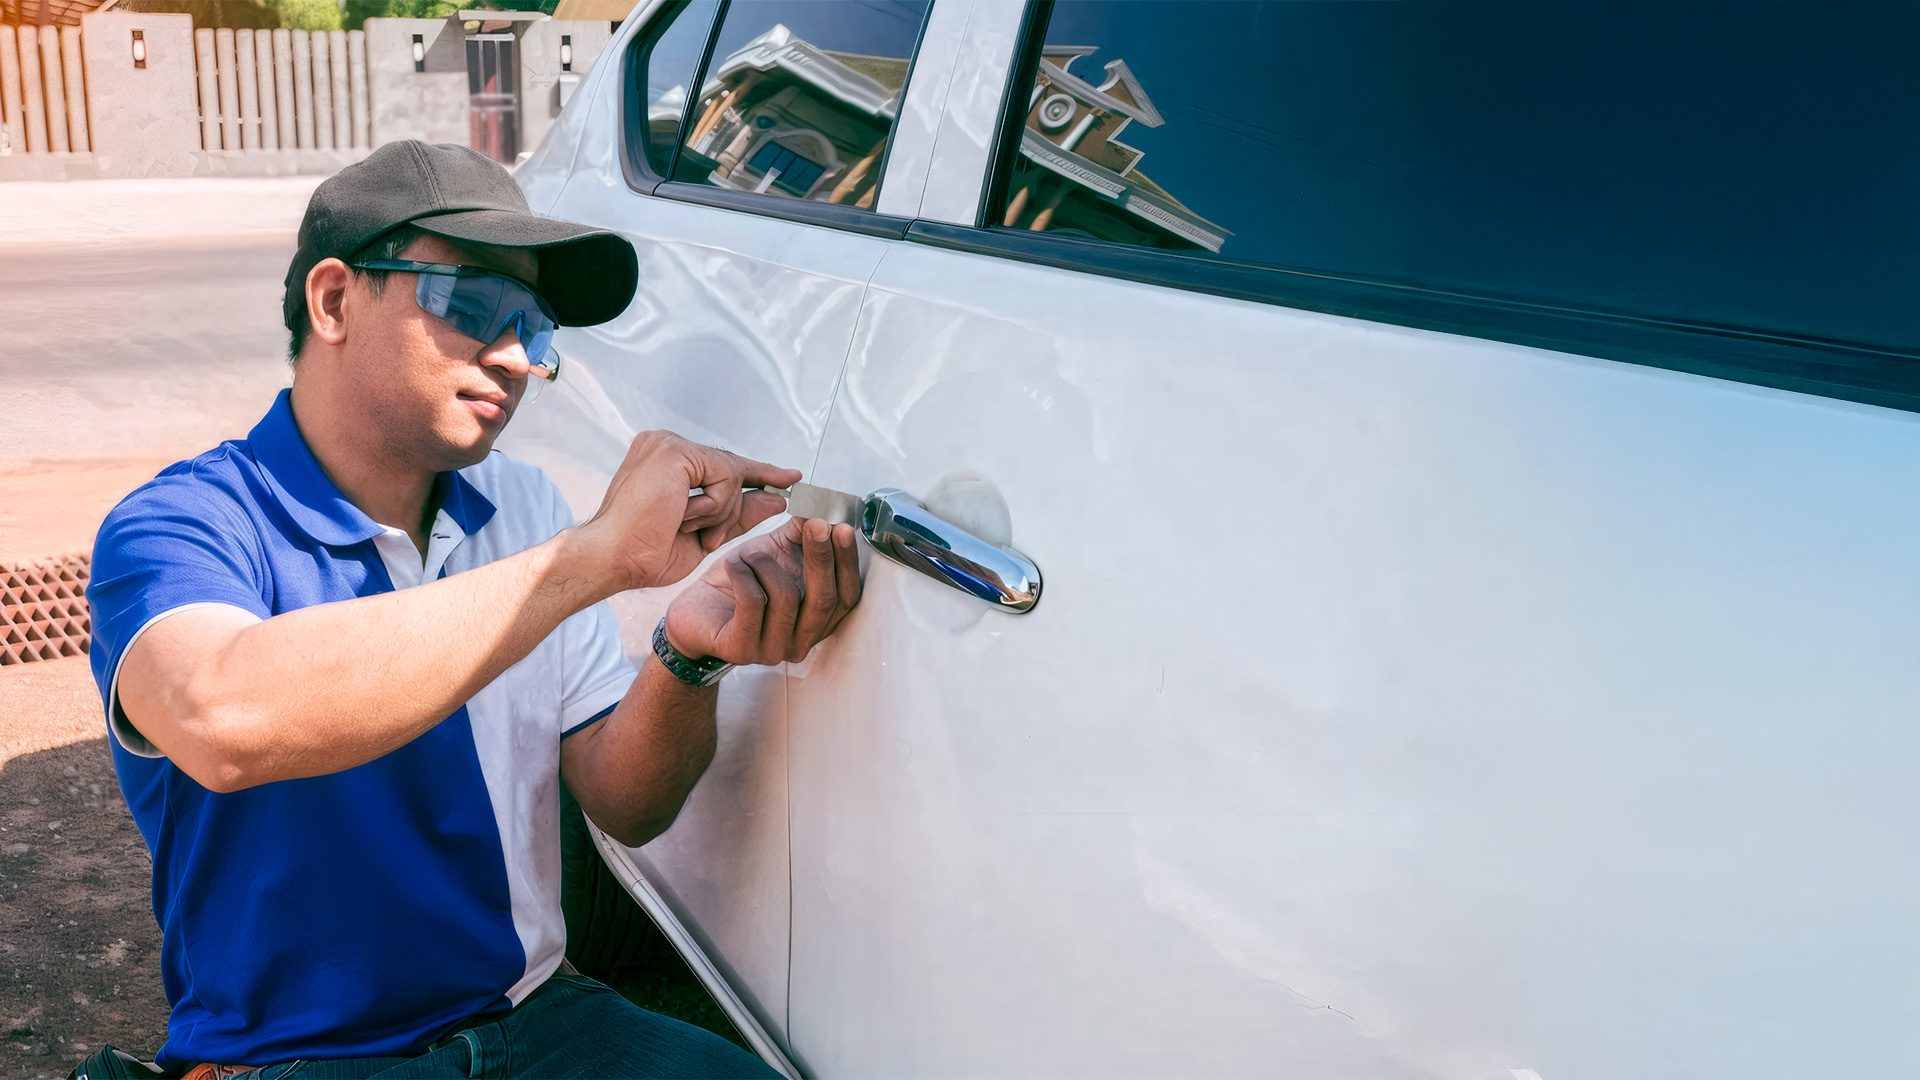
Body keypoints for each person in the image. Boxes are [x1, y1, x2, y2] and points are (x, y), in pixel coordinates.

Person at [80, 140, 861, 1079]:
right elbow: (220, 717)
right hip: (300, 1057)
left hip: (537, 1016)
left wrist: (688, 655)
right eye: (471, 304)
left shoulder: (522, 507)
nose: (516, 358)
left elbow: (626, 803)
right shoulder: (182, 525)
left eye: (533, 326)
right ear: (333, 300)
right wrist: (592, 559)